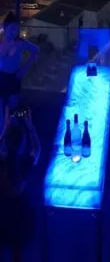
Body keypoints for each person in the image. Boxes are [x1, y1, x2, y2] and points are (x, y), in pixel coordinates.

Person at [0, 104, 40, 262]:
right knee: (18, 252)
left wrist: (5, 126)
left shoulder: (2, 162)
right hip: (21, 214)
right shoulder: (25, 163)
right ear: (23, 144)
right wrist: (30, 126)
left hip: (3, 212)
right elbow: (37, 148)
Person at [0, 14, 39, 119]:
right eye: (11, 29)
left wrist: (24, 68)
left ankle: (12, 129)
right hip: (1, 76)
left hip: (14, 77)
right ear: (4, 27)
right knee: (1, 107)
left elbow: (36, 50)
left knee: (13, 107)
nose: (14, 32)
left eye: (16, 30)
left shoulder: (20, 43)